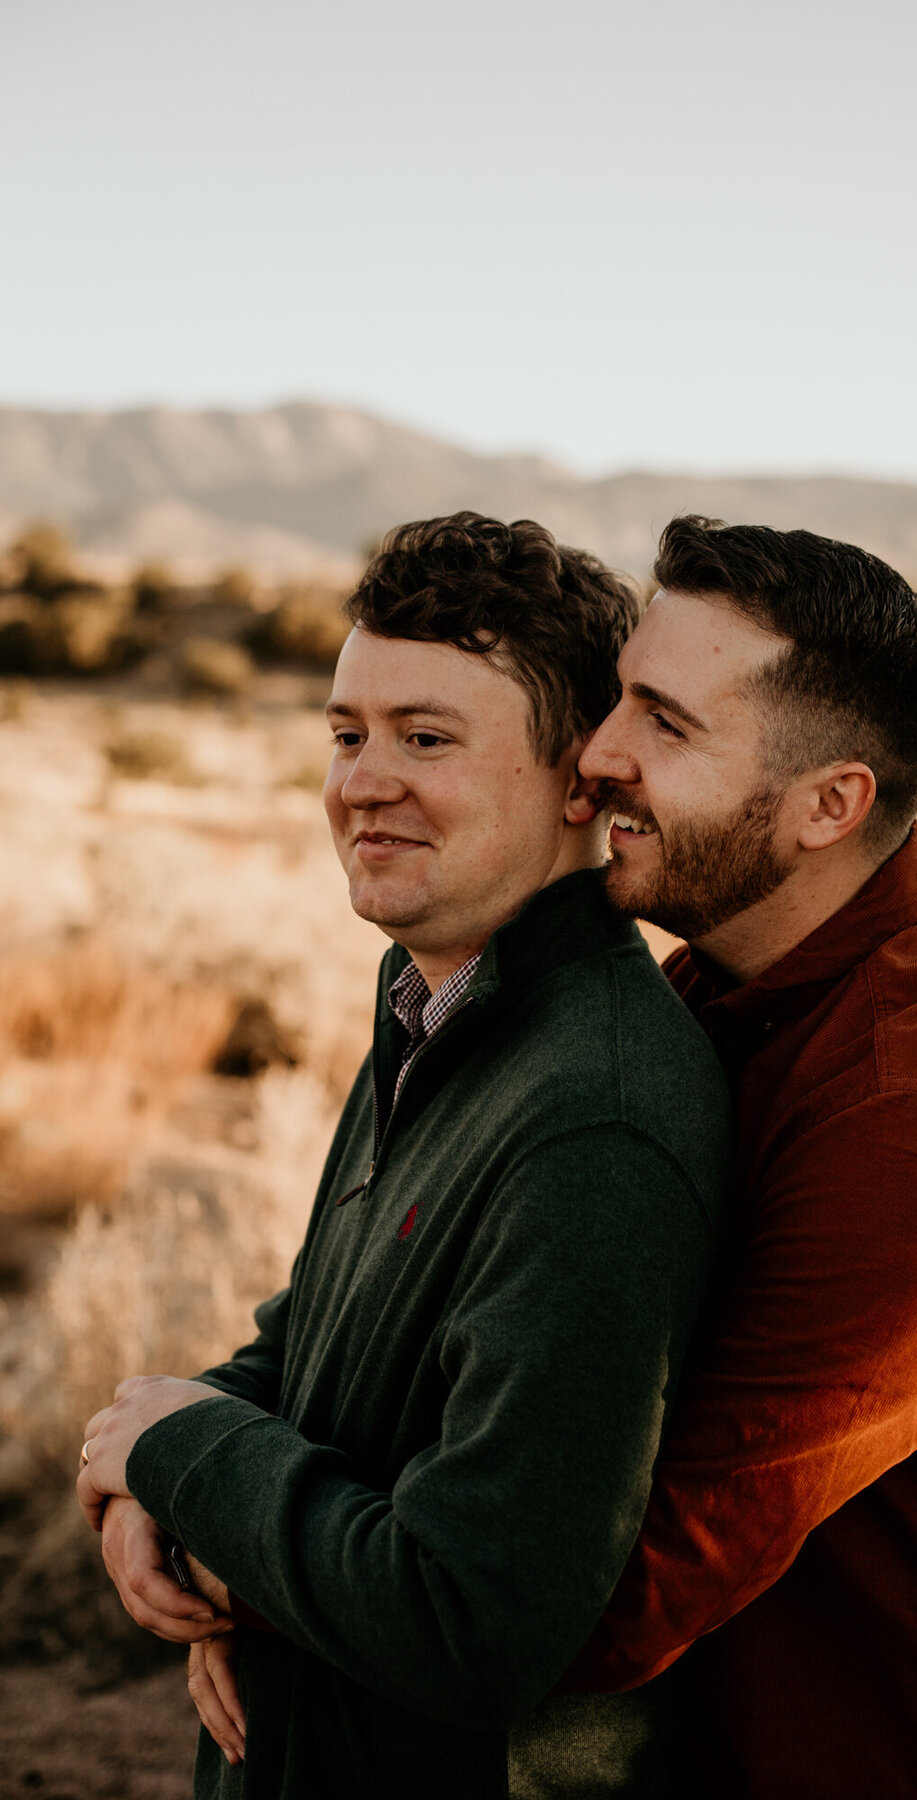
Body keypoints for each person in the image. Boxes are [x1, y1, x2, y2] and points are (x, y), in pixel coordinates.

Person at [77, 513, 730, 1800]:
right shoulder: (437, 1006)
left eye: (425, 738)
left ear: (578, 782)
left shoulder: (595, 1118)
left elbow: (468, 1615)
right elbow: (323, 1344)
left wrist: (184, 1461)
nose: (362, 780)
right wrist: (156, 1449)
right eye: (346, 734)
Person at [568, 515, 917, 1800]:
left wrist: (248, 1563)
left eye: (665, 721)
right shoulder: (726, 985)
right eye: (617, 702)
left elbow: (634, 1584)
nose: (598, 757)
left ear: (831, 806)